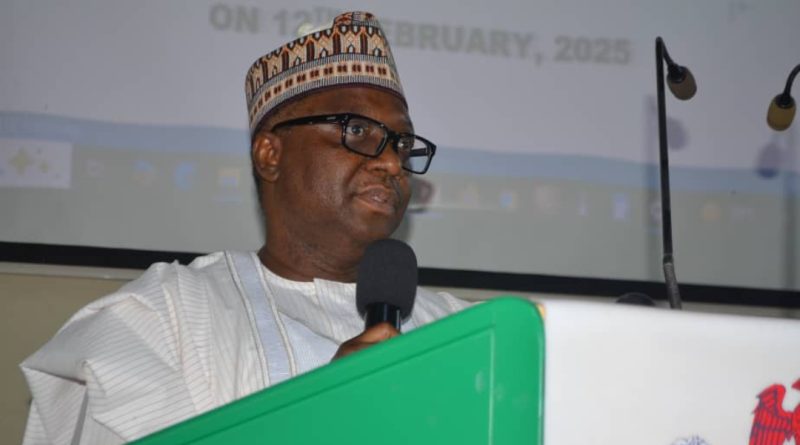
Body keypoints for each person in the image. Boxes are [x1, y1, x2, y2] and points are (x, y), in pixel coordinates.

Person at [20, 11, 470, 445]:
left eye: (402, 144)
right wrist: (320, 419)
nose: (392, 163)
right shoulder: (159, 320)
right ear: (270, 155)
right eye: (357, 131)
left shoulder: (464, 331)